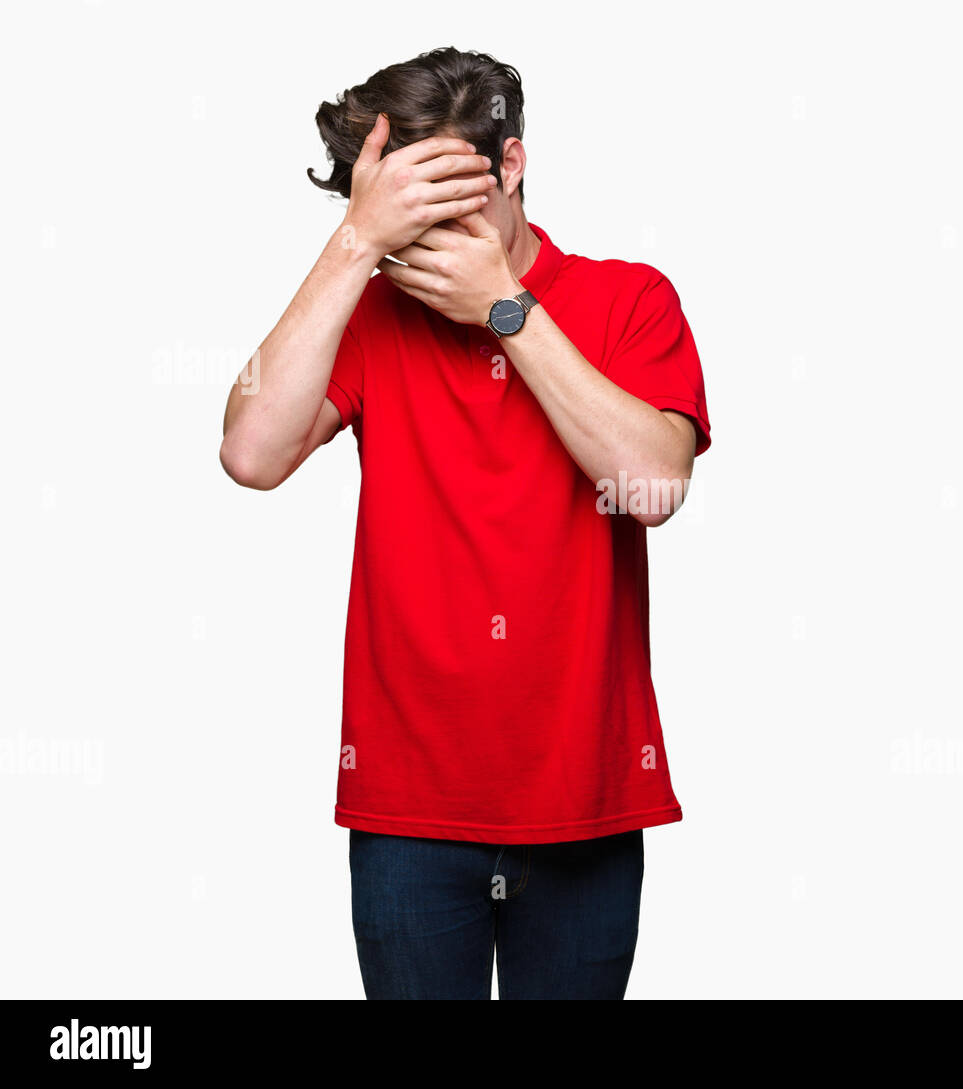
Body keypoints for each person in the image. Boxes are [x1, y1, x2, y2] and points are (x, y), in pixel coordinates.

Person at [219, 47, 711, 1000]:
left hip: (585, 799)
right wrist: (352, 248)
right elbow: (250, 452)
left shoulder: (629, 298)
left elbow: (652, 486)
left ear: (512, 165)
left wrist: (507, 312)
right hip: (408, 808)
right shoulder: (370, 309)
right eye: (403, 210)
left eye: (448, 198)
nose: (428, 236)